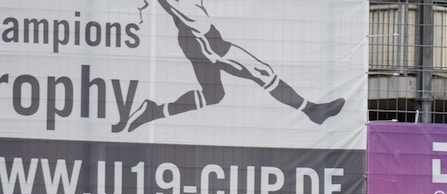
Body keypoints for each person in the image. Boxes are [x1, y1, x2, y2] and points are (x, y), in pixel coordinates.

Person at [116, 0, 346, 133]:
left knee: (214, 94)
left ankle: (154, 110)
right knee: (262, 72)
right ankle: (311, 110)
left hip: (196, 37)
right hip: (204, 40)